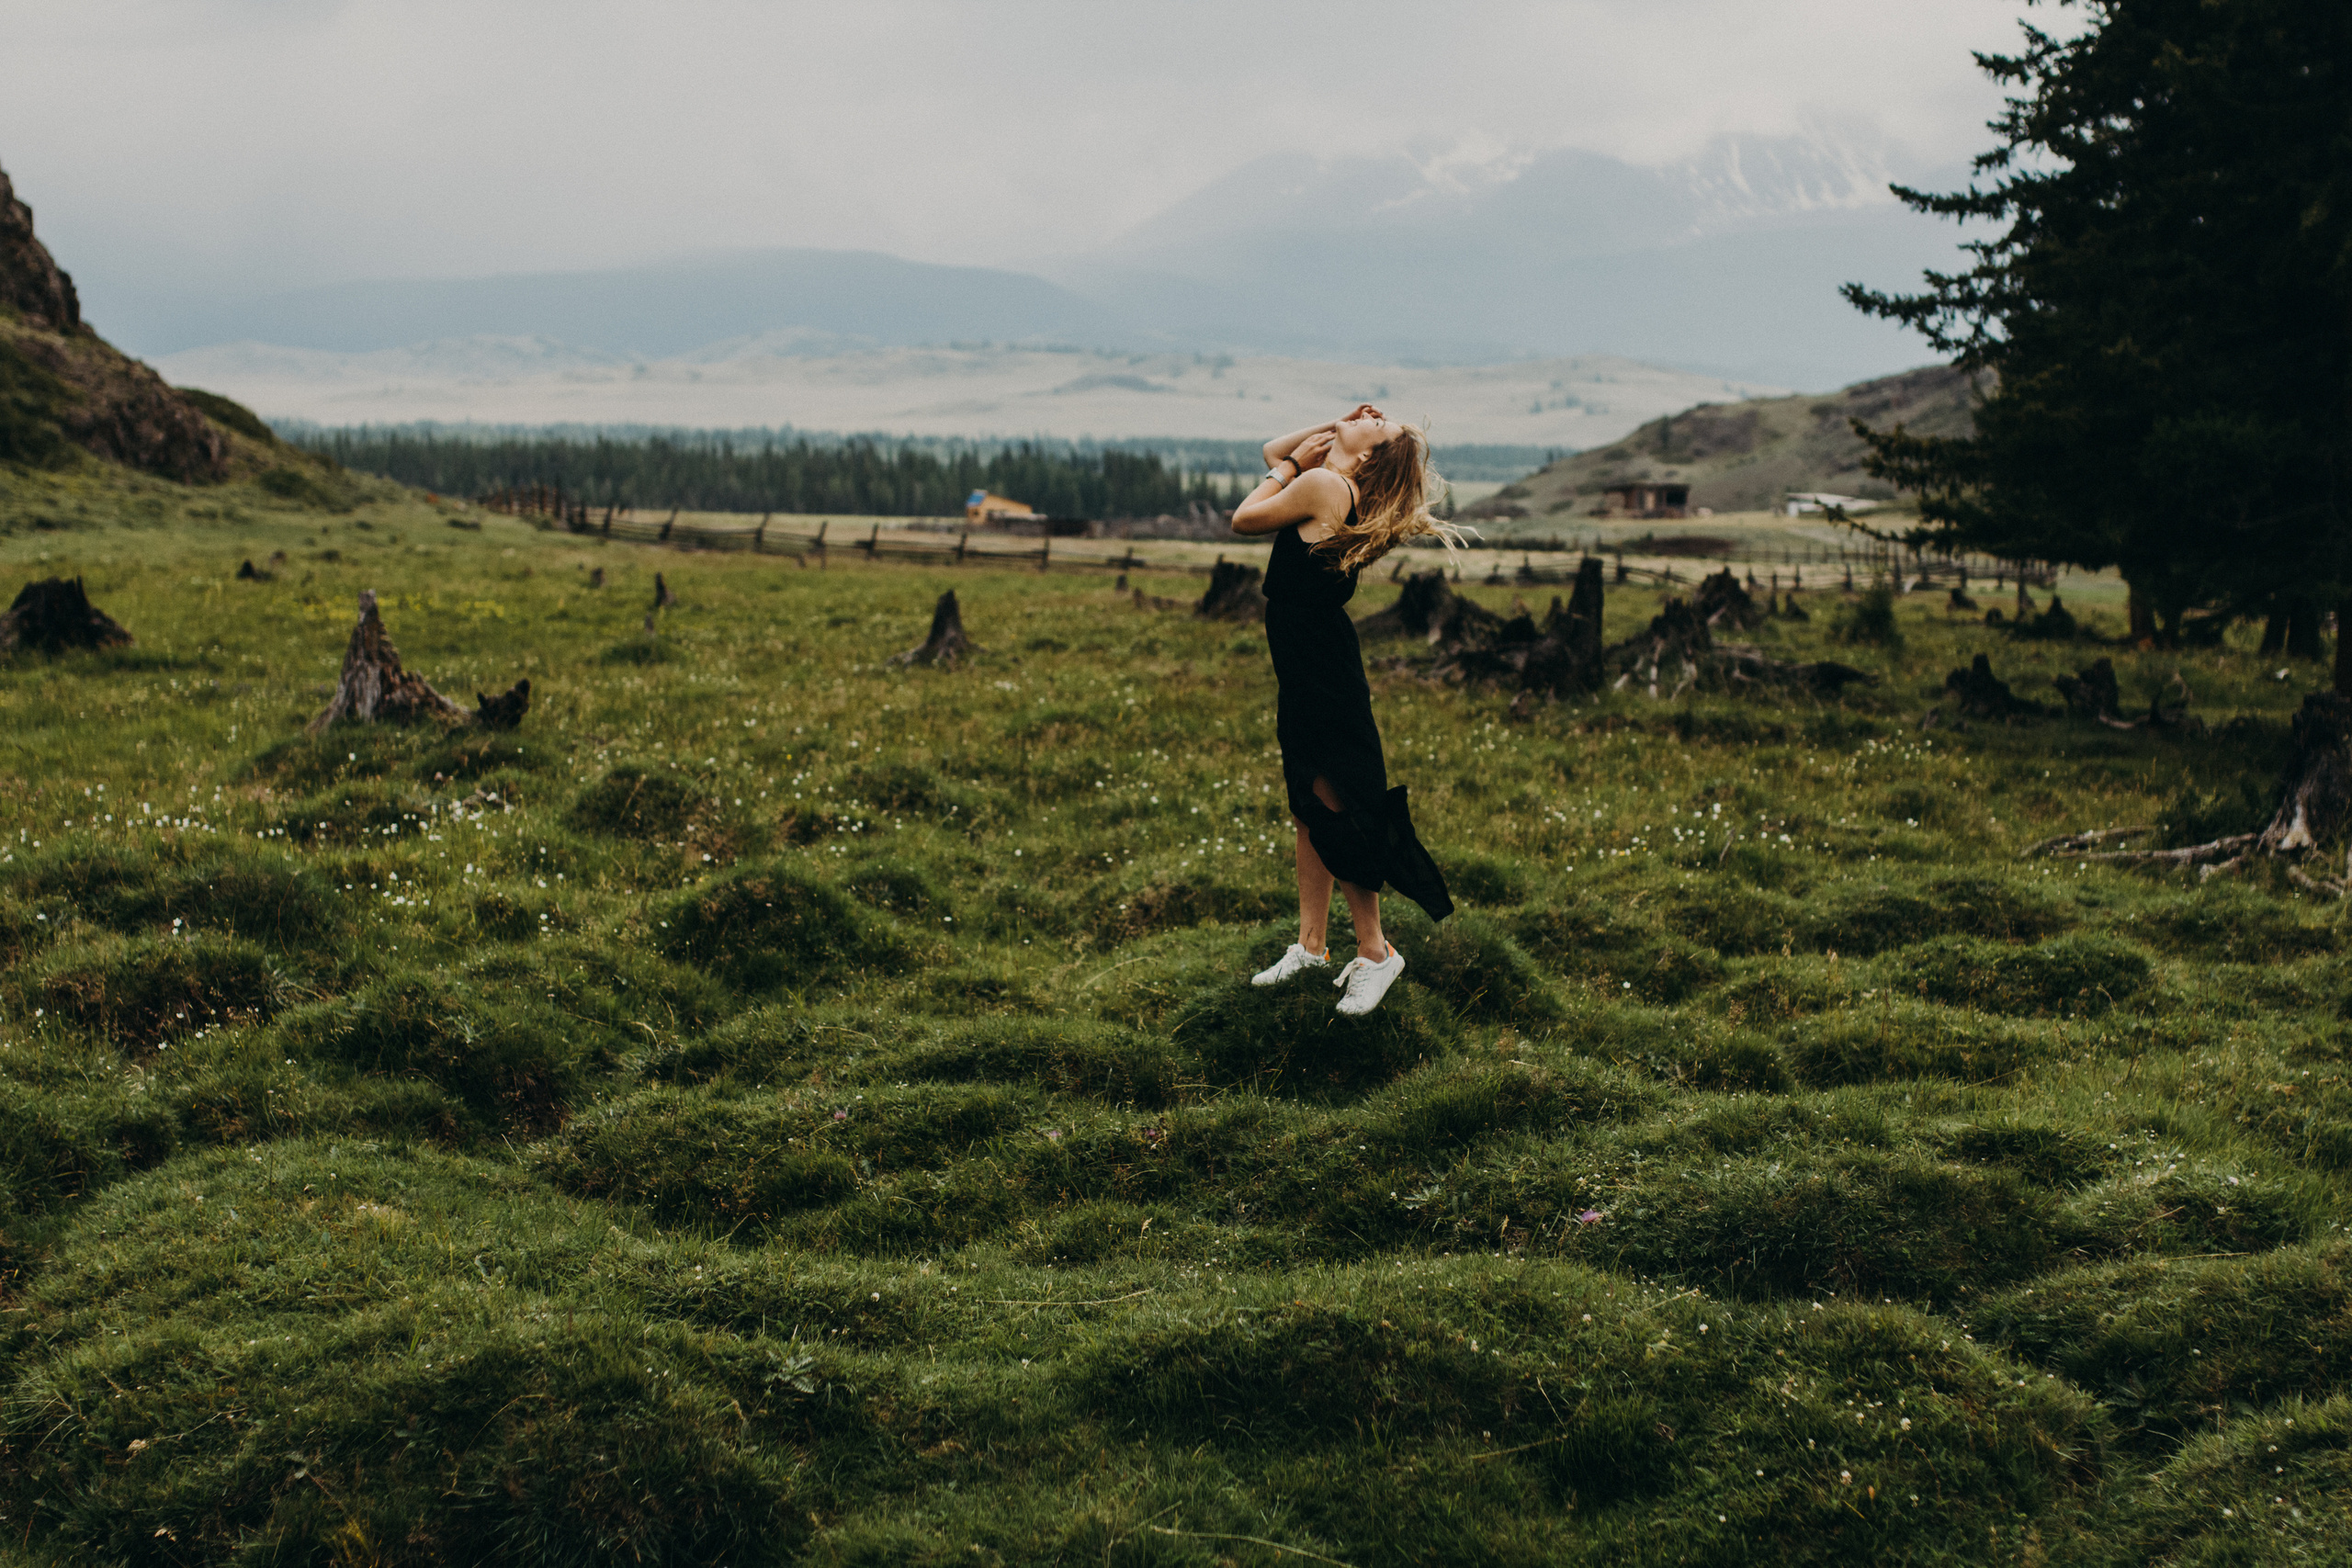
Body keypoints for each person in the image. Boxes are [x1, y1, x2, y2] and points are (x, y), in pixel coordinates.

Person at [1229, 404, 1461, 1016]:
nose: (1370, 411)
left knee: (1341, 808)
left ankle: (1377, 953)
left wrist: (1293, 469)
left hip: (1319, 668)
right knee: (1312, 803)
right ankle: (1310, 946)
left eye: (1378, 423)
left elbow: (1243, 517)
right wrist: (1337, 427)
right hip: (1311, 661)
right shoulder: (1337, 482)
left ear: (1368, 456)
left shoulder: (1324, 486)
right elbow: (1272, 446)